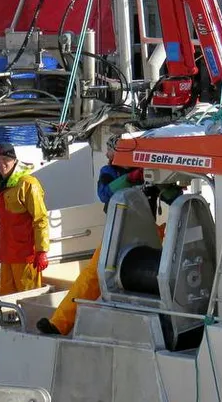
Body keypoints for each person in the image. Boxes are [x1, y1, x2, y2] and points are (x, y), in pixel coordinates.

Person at [37, 134, 180, 336]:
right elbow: (104, 194)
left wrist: (169, 185)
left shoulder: (148, 171)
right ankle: (59, 325)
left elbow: (175, 199)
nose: (106, 153)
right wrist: (130, 179)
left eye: (111, 150)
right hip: (118, 234)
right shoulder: (109, 172)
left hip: (147, 234)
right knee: (92, 276)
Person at [0, 142, 50, 295]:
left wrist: (42, 251)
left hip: (25, 256)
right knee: (6, 298)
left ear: (14, 161)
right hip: (5, 254)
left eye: (5, 160)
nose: (1, 164)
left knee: (28, 297)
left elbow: (40, 219)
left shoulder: (28, 184)